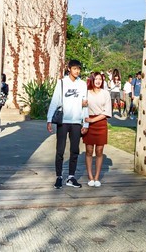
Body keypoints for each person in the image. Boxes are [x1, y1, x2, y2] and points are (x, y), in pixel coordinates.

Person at [47, 59, 89, 189]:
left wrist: (85, 123)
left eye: (79, 69)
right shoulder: (62, 83)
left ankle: (71, 177)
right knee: (60, 150)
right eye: (75, 68)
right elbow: (55, 101)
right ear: (69, 68)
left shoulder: (82, 84)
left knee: (74, 150)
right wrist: (49, 119)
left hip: (76, 121)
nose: (77, 71)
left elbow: (85, 104)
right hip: (63, 121)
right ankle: (59, 176)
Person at [84, 72, 112, 186]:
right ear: (92, 80)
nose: (98, 81)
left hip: (101, 123)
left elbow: (107, 112)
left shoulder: (105, 93)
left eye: (100, 79)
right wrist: (86, 123)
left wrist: (93, 120)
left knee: (99, 151)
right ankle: (90, 177)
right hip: (88, 123)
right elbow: (82, 108)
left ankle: (97, 177)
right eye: (96, 79)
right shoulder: (86, 93)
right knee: (89, 151)